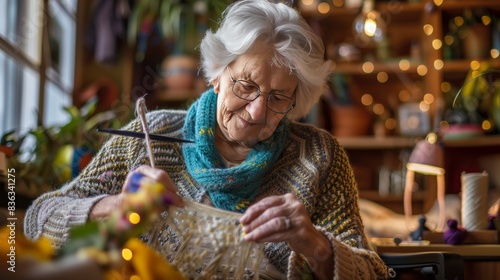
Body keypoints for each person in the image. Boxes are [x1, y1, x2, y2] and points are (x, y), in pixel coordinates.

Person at [24, 0, 389, 279]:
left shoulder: (318, 156)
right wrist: (113, 207)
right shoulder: (151, 135)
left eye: (278, 98)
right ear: (216, 74)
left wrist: (316, 244)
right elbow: (38, 221)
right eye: (246, 86)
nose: (257, 111)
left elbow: (371, 272)